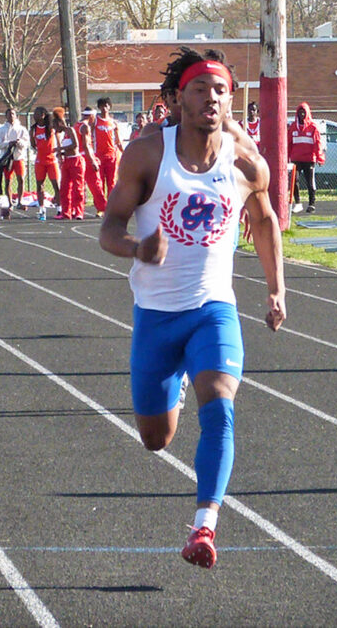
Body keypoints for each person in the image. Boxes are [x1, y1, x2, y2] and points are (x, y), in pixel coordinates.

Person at [98, 47, 286, 569]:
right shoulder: (146, 154)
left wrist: (275, 289)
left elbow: (266, 220)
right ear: (180, 99)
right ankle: (172, 381)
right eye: (200, 90)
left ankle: (205, 526)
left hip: (213, 309)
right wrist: (137, 248)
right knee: (156, 440)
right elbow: (109, 228)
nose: (211, 98)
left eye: (220, 90)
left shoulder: (246, 160)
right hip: (157, 316)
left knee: (221, 407)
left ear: (231, 100)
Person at [287, 101, 325, 213]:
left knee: (310, 182)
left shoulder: (313, 127)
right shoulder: (293, 127)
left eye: (304, 112)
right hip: (296, 159)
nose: (302, 114)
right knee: (294, 180)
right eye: (300, 112)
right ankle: (298, 203)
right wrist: (287, 158)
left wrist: (319, 157)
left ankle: (311, 203)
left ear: (307, 113)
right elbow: (289, 143)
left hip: (309, 159)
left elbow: (317, 143)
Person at [53, 107, 84, 220]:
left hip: (76, 161)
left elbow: (75, 145)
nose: (55, 129)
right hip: (67, 161)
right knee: (64, 188)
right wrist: (60, 152)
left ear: (60, 123)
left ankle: (78, 211)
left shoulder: (70, 130)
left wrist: (59, 149)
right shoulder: (61, 135)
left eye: (56, 126)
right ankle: (66, 212)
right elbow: (65, 149)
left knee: (78, 188)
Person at [0, 107, 29, 208]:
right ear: (6, 116)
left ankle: (20, 201)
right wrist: (8, 144)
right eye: (9, 114)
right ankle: (10, 202)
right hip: (7, 159)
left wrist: (19, 142)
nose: (11, 116)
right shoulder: (1, 130)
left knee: (21, 179)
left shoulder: (22, 129)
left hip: (19, 158)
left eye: (13, 114)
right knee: (8, 180)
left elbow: (26, 143)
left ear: (16, 115)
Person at [30, 106, 60, 220]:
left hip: (52, 159)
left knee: (56, 185)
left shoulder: (51, 127)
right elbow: (33, 144)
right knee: (40, 185)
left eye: (37, 113)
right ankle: (42, 209)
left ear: (43, 115)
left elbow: (58, 137)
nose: (34, 115)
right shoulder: (33, 129)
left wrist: (58, 150)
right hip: (40, 160)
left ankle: (59, 208)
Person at [76, 106, 105, 216]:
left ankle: (77, 210)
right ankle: (102, 207)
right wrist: (92, 159)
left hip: (77, 157)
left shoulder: (76, 125)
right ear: (92, 116)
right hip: (86, 158)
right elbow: (86, 146)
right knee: (96, 184)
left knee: (79, 185)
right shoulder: (85, 127)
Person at [94, 98, 124, 200]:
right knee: (99, 182)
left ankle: (111, 205)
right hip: (99, 156)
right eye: (102, 105)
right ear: (99, 107)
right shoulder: (95, 121)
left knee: (111, 183)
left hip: (111, 156)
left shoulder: (113, 122)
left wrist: (124, 152)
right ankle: (100, 207)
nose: (104, 108)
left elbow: (118, 141)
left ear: (109, 107)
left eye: (106, 105)